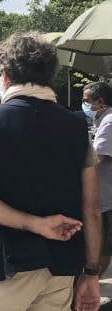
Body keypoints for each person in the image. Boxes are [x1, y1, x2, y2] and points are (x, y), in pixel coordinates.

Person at [0, 32, 101, 311]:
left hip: (6, 264)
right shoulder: (76, 126)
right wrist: (92, 273)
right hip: (61, 264)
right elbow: (92, 208)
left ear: (6, 77)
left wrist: (36, 224)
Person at [82, 81, 112, 310]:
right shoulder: (103, 119)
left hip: (105, 196)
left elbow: (97, 158)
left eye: (87, 100)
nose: (85, 104)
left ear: (101, 102)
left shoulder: (109, 122)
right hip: (104, 193)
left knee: (102, 245)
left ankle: (94, 285)